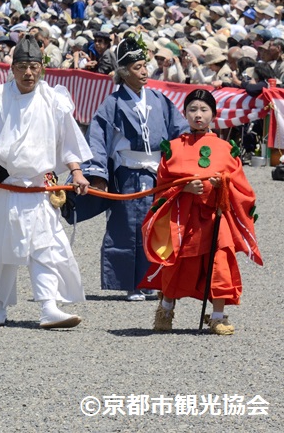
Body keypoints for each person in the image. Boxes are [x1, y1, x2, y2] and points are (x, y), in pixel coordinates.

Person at [0, 35, 92, 328]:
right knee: (2, 249)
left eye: (34, 67)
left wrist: (76, 171)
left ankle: (49, 306)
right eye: (22, 66)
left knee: (45, 246)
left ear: (42, 68)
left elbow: (68, 141)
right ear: (12, 69)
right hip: (7, 184)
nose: (28, 73)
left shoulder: (54, 100)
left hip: (39, 187)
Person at [143, 89, 261, 335]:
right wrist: (183, 188)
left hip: (217, 217)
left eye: (204, 110)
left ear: (214, 115)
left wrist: (223, 186)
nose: (198, 115)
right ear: (185, 114)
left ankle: (218, 316)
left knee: (221, 261)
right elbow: (162, 185)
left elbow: (242, 186)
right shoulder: (173, 148)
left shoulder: (227, 148)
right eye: (192, 110)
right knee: (175, 262)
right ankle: (165, 310)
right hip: (182, 217)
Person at [82, 37, 188, 300]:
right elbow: (96, 138)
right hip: (128, 171)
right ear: (123, 71)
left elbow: (180, 131)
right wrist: (97, 175)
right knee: (128, 226)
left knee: (157, 225)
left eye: (145, 65)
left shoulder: (159, 99)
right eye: (137, 67)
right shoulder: (113, 103)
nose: (144, 71)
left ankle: (155, 279)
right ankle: (132, 284)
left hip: (158, 172)